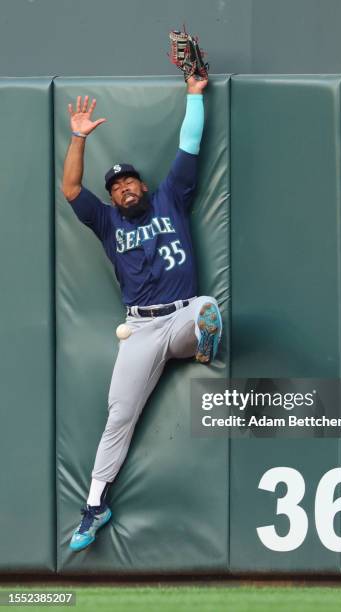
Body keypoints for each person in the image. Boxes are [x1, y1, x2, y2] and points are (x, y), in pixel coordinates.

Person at [61, 76, 222, 552]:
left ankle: (202, 341)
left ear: (144, 185)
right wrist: (79, 136)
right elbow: (71, 188)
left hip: (180, 315)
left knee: (208, 308)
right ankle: (94, 506)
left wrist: (195, 92)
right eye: (115, 186)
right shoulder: (106, 221)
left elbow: (189, 144)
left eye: (129, 180)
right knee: (118, 417)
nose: (123, 187)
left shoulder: (171, 198)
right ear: (110, 198)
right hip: (141, 329)